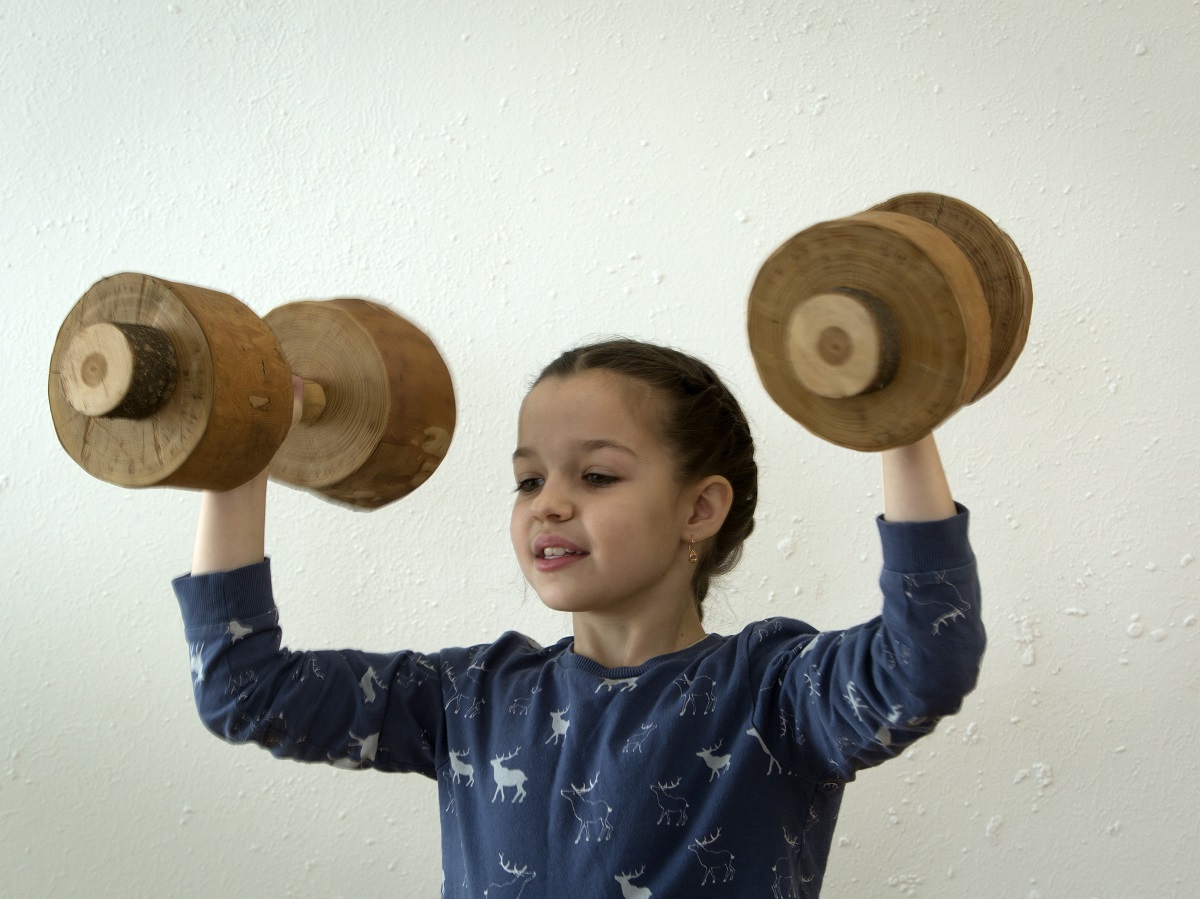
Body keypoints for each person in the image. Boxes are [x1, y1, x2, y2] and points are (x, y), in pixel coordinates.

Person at [174, 338, 984, 897]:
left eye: (596, 474)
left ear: (699, 508)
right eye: (528, 481)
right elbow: (243, 688)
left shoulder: (773, 691)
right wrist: (238, 460)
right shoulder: (471, 697)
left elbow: (926, 659)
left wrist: (898, 422)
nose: (550, 501)